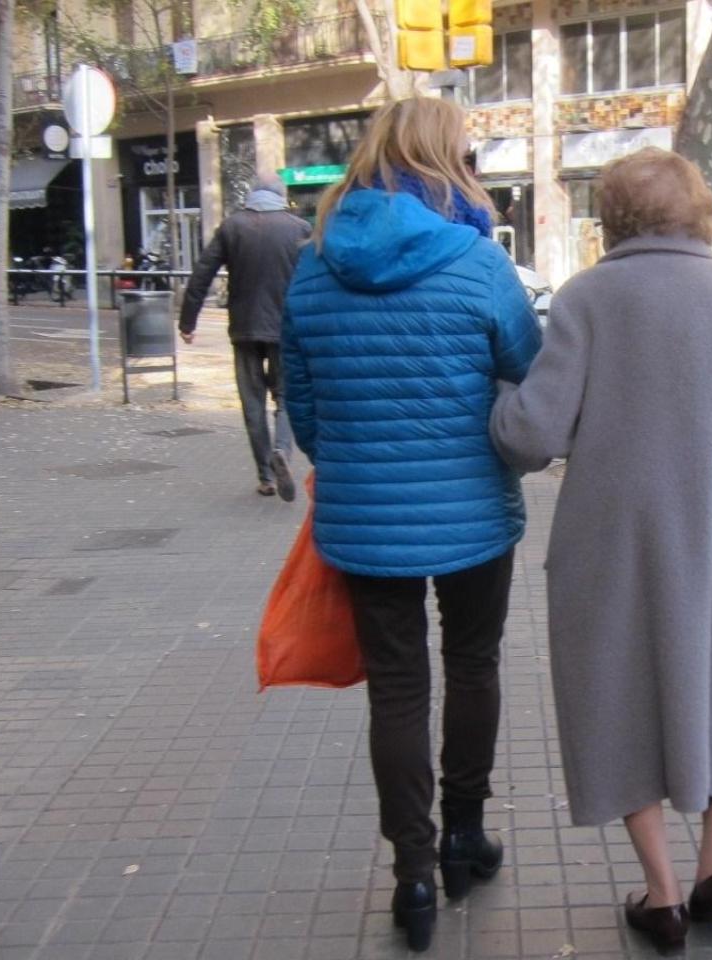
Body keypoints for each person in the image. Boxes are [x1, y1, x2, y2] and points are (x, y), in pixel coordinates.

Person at [489, 147, 712, 952]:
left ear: (611, 219)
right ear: (701, 214)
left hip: (614, 529)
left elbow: (533, 436)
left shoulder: (588, 298)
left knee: (611, 684)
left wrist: (501, 399)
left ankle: (663, 891)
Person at [278, 97, 541, 952]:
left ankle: (414, 877)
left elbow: (303, 403)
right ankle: (465, 834)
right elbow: (527, 375)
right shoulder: (475, 259)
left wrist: (354, 461)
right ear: (445, 162)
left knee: (397, 691)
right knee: (473, 665)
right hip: (473, 512)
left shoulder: (316, 265)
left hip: (362, 520)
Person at [179, 178, 313, 499]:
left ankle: (266, 476)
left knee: (252, 403)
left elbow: (202, 274)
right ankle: (282, 449)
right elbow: (314, 278)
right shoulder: (299, 229)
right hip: (286, 328)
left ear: (252, 196)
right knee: (285, 398)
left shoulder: (232, 227)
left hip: (244, 328)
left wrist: (188, 321)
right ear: (281, 197)